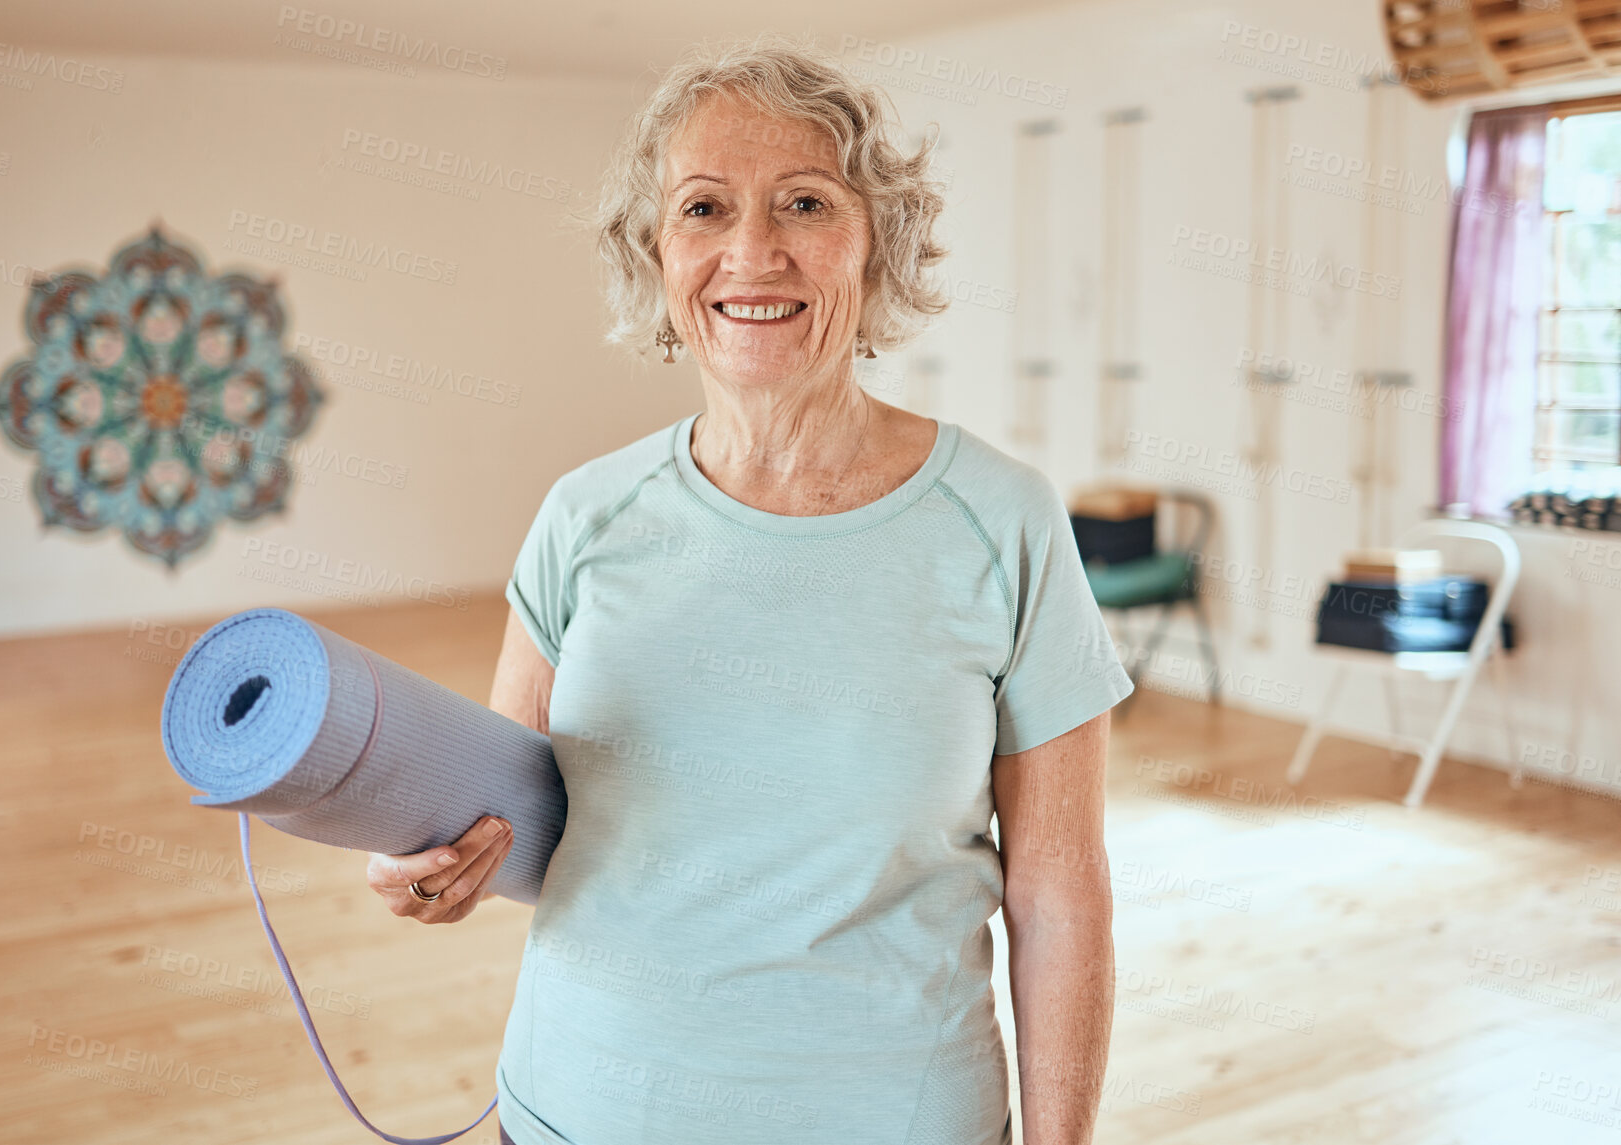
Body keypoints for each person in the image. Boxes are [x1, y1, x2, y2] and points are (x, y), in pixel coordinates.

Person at [366, 33, 1134, 1145]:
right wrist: (429, 865)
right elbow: (505, 821)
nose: (752, 252)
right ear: (655, 254)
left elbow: (1059, 896)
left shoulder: (1002, 521)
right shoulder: (584, 517)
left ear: (878, 244)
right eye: (704, 209)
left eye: (806, 204)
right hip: (583, 1108)